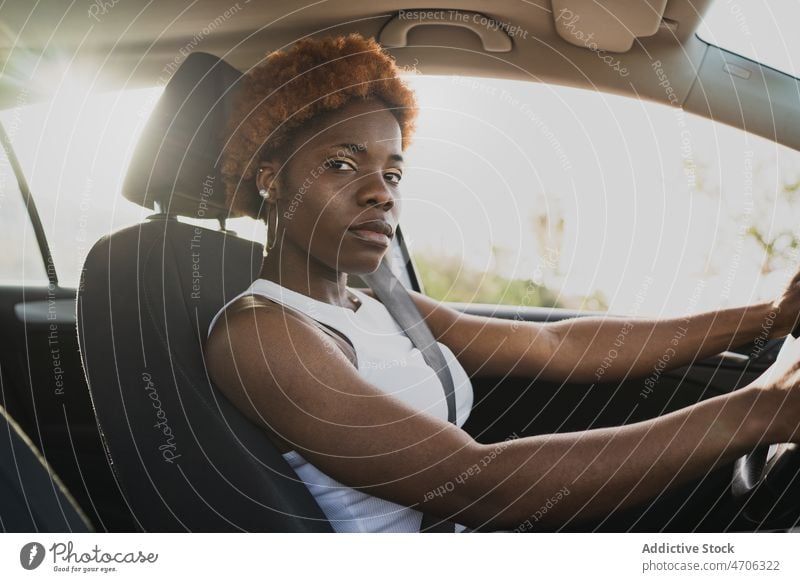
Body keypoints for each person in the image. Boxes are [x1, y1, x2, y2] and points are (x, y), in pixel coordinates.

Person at [204, 33, 800, 533]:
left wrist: (771, 316)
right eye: (341, 163)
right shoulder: (262, 335)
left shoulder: (379, 301)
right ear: (270, 180)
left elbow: (552, 346)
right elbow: (479, 487)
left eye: (392, 171)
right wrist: (761, 411)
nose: (380, 192)